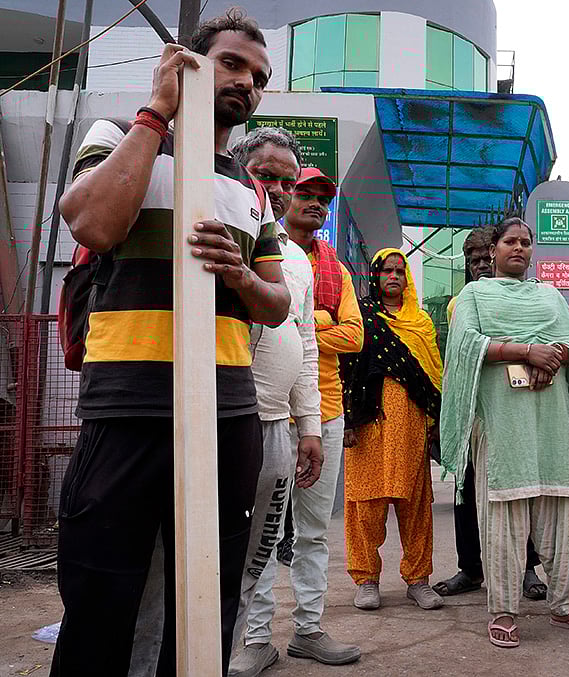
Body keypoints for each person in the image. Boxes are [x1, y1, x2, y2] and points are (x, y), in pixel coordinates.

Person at [52, 10, 291, 674]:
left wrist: (239, 273)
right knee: (102, 597)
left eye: (260, 77)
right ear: (190, 61)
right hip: (128, 408)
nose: (248, 83)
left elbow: (277, 304)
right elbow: (96, 223)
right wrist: (158, 111)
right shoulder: (120, 135)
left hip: (226, 414)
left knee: (205, 603)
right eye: (234, 64)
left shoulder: (251, 194)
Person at [441, 217, 569, 649]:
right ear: (493, 250)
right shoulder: (473, 295)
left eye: (526, 242)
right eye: (510, 241)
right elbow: (464, 347)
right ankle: (502, 609)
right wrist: (524, 350)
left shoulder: (550, 295)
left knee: (564, 508)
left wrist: (547, 356)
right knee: (502, 512)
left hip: (551, 421)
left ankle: (568, 603)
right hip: (502, 422)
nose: (519, 248)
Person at [230, 137, 364, 673]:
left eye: (293, 184)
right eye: (272, 178)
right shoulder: (222, 234)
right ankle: (253, 639)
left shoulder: (304, 266)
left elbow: (309, 344)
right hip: (246, 419)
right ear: (239, 172)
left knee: (311, 531)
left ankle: (308, 629)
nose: (283, 193)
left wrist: (309, 422)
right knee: (257, 535)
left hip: (308, 418)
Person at [435, 226, 547, 600]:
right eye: (474, 261)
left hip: (514, 405)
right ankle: (470, 568)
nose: (481, 265)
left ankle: (528, 570)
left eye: (486, 257)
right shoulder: (462, 302)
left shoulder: (531, 299)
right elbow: (463, 354)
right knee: (465, 491)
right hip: (472, 409)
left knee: (520, 486)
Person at [340, 249, 444, 611]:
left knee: (415, 504)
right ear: (375, 275)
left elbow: (433, 374)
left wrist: (434, 423)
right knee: (365, 504)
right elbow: (347, 367)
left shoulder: (421, 322)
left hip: (412, 424)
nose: (394, 276)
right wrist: (347, 420)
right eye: (387, 270)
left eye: (400, 271)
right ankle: (366, 579)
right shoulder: (360, 315)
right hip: (369, 424)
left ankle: (418, 579)